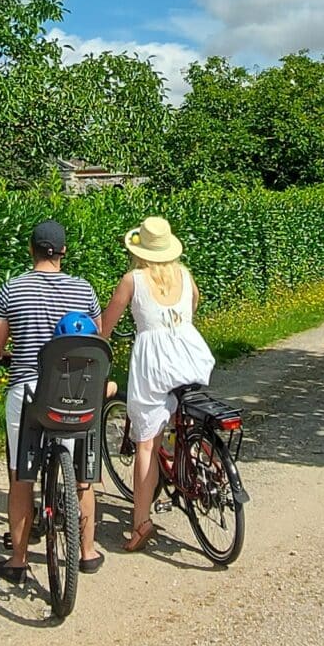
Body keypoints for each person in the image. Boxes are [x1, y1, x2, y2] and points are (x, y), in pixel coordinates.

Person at [0, 219, 106, 581]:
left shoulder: (12, 289)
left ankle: (18, 561)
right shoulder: (85, 290)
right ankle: (87, 552)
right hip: (76, 392)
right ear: (63, 251)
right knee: (81, 474)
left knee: (21, 477)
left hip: (29, 391)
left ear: (30, 249)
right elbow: (97, 338)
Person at [102, 214, 214, 553]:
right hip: (190, 355)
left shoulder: (132, 280)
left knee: (146, 445)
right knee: (187, 419)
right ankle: (204, 469)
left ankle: (141, 523)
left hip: (154, 365)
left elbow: (105, 328)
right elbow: (193, 305)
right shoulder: (185, 275)